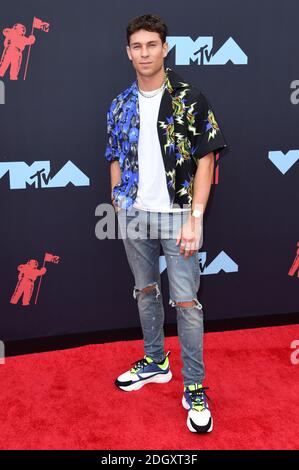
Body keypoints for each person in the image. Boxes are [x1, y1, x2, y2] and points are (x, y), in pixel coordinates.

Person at [104, 13, 227, 433]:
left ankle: (194, 386)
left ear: (165, 48)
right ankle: (156, 361)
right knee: (144, 290)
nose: (144, 53)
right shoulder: (120, 104)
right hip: (135, 215)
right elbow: (115, 155)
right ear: (128, 52)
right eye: (136, 46)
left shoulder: (190, 98)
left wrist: (195, 218)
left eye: (151, 45)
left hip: (179, 217)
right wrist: (119, 201)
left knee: (188, 304)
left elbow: (207, 158)